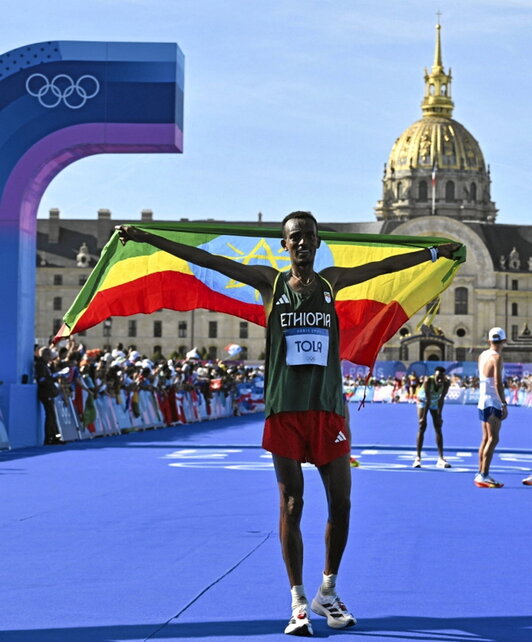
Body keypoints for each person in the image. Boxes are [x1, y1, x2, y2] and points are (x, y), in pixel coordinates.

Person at [116, 212, 459, 636]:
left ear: (317, 244)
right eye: (295, 238)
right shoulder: (268, 283)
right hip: (285, 410)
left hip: (328, 409)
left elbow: (383, 267)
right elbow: (204, 259)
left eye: (309, 238)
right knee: (292, 504)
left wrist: (432, 253)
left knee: (342, 503)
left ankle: (327, 592)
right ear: (284, 245)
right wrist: (146, 237)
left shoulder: (332, 281)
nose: (302, 244)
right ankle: (298, 600)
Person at [475, 327, 508, 488]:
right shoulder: (497, 357)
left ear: (489, 341)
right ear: (504, 341)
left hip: (482, 399)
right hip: (493, 401)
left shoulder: (482, 355)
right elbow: (497, 383)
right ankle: (484, 474)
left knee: (485, 438)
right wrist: (503, 403)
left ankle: (481, 472)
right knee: (493, 438)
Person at [413, 366, 451, 468]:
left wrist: (439, 415)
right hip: (423, 402)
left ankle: (441, 458)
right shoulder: (428, 381)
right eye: (438, 377)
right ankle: (418, 458)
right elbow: (428, 400)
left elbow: (441, 399)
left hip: (434, 402)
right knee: (422, 426)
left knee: (438, 427)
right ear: (434, 375)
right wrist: (423, 418)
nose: (439, 379)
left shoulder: (447, 383)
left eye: (442, 377)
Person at [34, 347, 62, 445]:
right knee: (50, 416)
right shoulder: (40, 365)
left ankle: (54, 436)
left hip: (49, 392)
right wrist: (52, 378)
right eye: (49, 355)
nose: (50, 357)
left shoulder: (46, 365)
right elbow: (41, 379)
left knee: (52, 416)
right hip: (45, 393)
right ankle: (49, 438)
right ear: (45, 355)